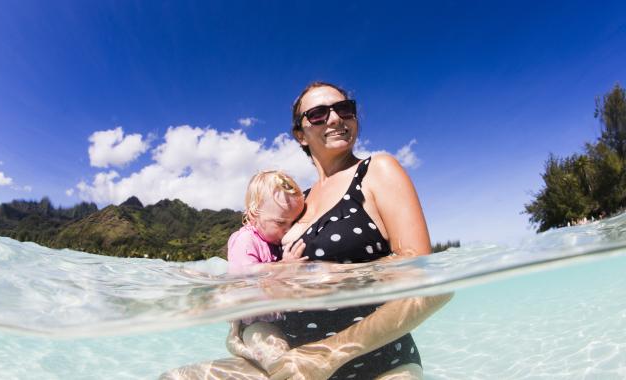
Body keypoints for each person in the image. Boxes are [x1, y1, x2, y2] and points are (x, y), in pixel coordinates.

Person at [160, 82, 452, 379]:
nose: (335, 118)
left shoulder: (377, 170)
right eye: (318, 114)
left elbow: (425, 280)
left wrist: (325, 354)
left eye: (344, 109)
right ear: (300, 134)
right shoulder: (297, 203)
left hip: (375, 364)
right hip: (291, 364)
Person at [227, 170, 307, 373]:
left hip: (274, 320)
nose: (288, 230)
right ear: (254, 214)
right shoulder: (245, 240)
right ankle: (238, 340)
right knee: (281, 364)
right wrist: (284, 266)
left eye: (293, 223)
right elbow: (245, 276)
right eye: (281, 223)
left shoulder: (273, 241)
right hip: (253, 324)